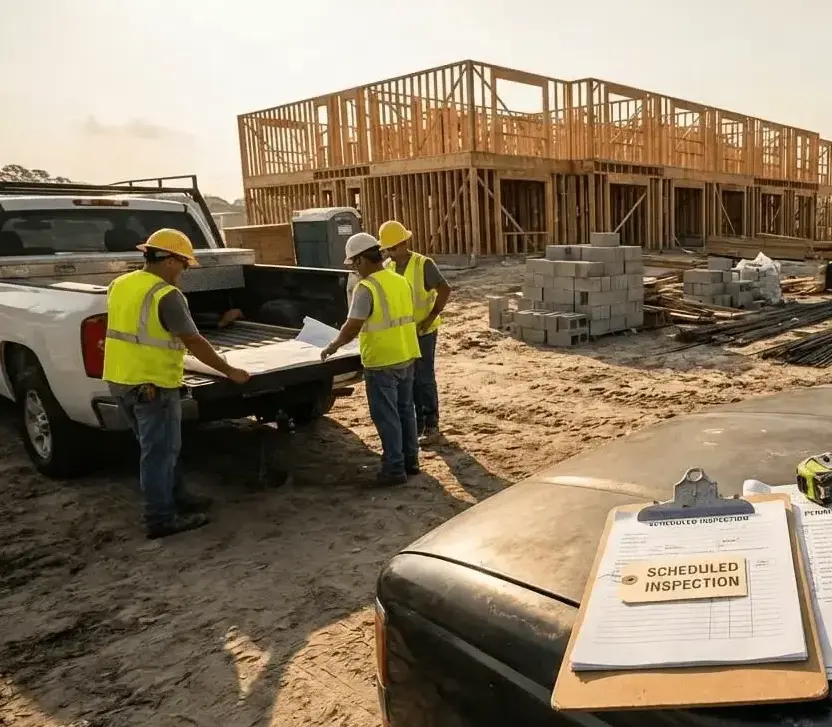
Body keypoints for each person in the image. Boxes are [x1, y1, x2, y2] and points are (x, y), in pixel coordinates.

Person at [103, 228, 251, 539]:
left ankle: (178, 498)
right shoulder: (165, 294)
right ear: (169, 260)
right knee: (160, 454)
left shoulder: (120, 284)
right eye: (184, 264)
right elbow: (193, 340)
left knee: (157, 449)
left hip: (121, 381)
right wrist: (229, 370)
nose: (184, 271)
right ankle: (160, 519)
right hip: (152, 385)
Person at [321, 232, 421, 486]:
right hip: (407, 354)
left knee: (387, 417)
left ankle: (394, 470)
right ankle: (411, 462)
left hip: (381, 361)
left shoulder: (366, 288)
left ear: (363, 260)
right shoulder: (400, 280)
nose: (354, 269)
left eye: (354, 264)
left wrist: (333, 345)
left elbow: (353, 326)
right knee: (406, 412)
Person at [378, 219, 452, 444]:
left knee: (424, 377)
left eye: (391, 248)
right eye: (386, 249)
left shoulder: (423, 264)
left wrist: (430, 318)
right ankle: (417, 424)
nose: (389, 253)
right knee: (407, 380)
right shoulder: (389, 267)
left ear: (402, 244)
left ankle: (431, 424)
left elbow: (445, 289)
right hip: (402, 333)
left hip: (424, 331)